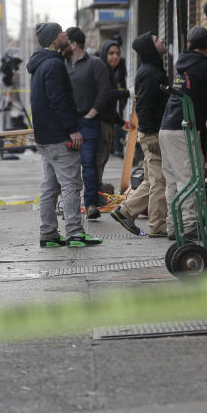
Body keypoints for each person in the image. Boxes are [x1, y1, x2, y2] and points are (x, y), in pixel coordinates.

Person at [26, 22, 102, 248]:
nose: (64, 34)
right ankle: (75, 233)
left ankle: (48, 234)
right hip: (59, 137)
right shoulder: (54, 65)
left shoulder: (39, 65)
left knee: (49, 186)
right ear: (53, 40)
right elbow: (58, 101)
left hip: (44, 137)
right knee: (71, 184)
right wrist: (72, 129)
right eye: (60, 33)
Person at [158, 26, 207, 241]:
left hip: (166, 128)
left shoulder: (183, 62)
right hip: (183, 129)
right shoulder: (203, 65)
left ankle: (174, 226)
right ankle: (188, 227)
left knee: (172, 181)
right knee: (190, 178)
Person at [110, 32, 170, 238]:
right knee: (159, 181)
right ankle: (158, 225)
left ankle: (125, 212)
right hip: (152, 134)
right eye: (156, 40)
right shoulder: (149, 73)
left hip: (152, 133)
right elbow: (143, 106)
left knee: (150, 179)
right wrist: (151, 134)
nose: (161, 40)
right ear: (150, 48)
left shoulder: (152, 70)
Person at [64, 27, 112, 220]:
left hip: (88, 122)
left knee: (89, 164)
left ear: (74, 44)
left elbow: (105, 91)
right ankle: (70, 205)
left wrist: (92, 113)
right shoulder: (62, 64)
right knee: (68, 166)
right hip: (68, 124)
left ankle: (91, 204)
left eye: (65, 41)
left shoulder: (95, 64)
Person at [96, 40, 130, 180]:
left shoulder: (110, 72)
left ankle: (96, 194)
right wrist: (128, 93)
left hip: (107, 124)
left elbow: (109, 104)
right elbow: (107, 94)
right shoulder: (102, 71)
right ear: (104, 54)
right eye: (111, 53)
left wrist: (121, 122)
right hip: (100, 126)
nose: (115, 57)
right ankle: (94, 197)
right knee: (99, 161)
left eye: (117, 53)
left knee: (102, 161)